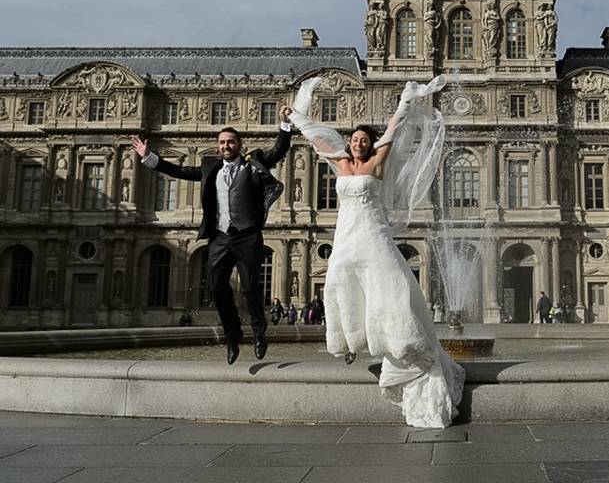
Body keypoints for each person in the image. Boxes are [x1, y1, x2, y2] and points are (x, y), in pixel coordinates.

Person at [289, 74, 464, 429]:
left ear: (369, 145)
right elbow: (315, 137)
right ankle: (352, 341)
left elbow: (395, 128)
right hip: (347, 236)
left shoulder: (378, 162)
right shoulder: (339, 163)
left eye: (363, 140)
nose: (357, 144)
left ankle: (401, 344)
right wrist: (294, 116)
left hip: (373, 232)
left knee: (392, 284)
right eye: (354, 139)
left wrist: (406, 99)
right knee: (339, 282)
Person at [132, 109, 292, 364]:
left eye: (230, 142)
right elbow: (178, 171)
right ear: (218, 147)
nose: (226, 146)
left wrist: (284, 124)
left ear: (239, 145)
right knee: (216, 287)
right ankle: (232, 335)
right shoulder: (210, 168)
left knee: (251, 287)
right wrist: (149, 157)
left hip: (247, 235)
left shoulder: (253, 164)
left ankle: (259, 332)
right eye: (222, 143)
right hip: (220, 237)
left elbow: (278, 151)